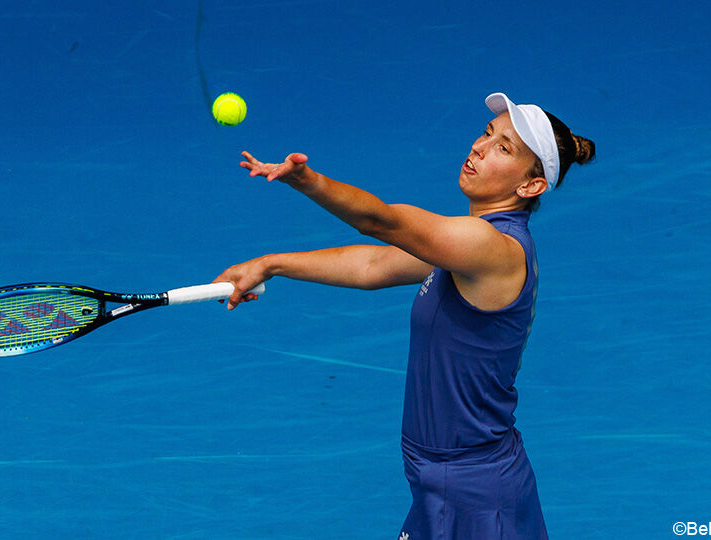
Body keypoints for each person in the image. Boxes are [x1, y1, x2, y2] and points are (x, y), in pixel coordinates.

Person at [213, 92, 596, 539]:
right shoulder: (466, 248)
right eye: (487, 134)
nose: (479, 147)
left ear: (529, 186)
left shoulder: (491, 248)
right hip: (442, 480)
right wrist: (271, 263)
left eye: (503, 149)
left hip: (479, 496)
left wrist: (308, 181)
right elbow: (373, 265)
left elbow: (383, 222)